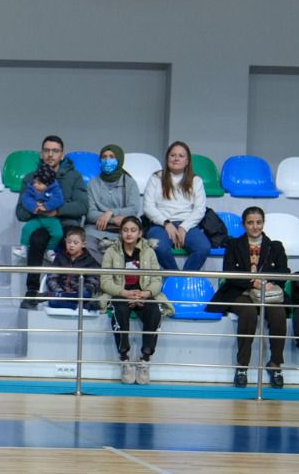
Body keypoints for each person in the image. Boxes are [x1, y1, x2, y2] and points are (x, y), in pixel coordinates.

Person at [205, 207, 288, 387]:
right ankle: (242, 365)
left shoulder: (275, 246)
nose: (255, 226)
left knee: (279, 314)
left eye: (258, 222)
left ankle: (275, 363)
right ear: (244, 224)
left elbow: (284, 273)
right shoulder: (233, 245)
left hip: (267, 294)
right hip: (239, 292)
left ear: (263, 223)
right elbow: (229, 273)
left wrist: (272, 283)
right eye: (250, 223)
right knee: (248, 312)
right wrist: (252, 283)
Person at [98, 215, 173, 384]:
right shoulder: (111, 252)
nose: (129, 234)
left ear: (140, 233)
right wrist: (124, 293)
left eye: (133, 230)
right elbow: (105, 281)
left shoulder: (149, 251)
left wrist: (146, 293)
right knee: (120, 309)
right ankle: (124, 359)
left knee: (155, 311)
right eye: (125, 230)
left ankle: (145, 359)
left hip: (144, 294)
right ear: (120, 233)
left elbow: (157, 280)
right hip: (121, 293)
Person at [15, 135, 87, 307]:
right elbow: (20, 213)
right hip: (41, 223)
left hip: (66, 224)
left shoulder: (74, 177)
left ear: (62, 155)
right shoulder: (31, 178)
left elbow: (82, 206)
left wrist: (56, 210)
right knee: (36, 238)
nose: (50, 154)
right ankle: (32, 292)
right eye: (46, 150)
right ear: (41, 154)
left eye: (55, 151)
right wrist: (37, 208)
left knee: (72, 240)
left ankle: (73, 292)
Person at [141, 141, 209, 274]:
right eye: (172, 155)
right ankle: (175, 276)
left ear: (187, 161)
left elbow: (200, 209)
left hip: (188, 224)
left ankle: (184, 278)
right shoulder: (156, 178)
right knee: (159, 247)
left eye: (181, 156)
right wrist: (166, 223)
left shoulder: (196, 181)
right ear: (167, 158)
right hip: (160, 225)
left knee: (203, 247)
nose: (176, 158)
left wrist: (184, 227)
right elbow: (148, 207)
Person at [85, 144, 142, 252]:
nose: (107, 160)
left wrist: (111, 212)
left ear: (119, 160)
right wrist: (112, 220)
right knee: (87, 246)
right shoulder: (92, 184)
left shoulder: (129, 182)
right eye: (104, 157)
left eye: (112, 157)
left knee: (129, 249)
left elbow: (133, 209)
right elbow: (90, 213)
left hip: (123, 229)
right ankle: (103, 263)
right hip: (96, 229)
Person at [43, 225, 98, 309]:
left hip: (80, 293)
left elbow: (93, 281)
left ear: (83, 244)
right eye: (68, 242)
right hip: (62, 291)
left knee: (85, 293)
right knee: (53, 302)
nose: (71, 245)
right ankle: (82, 306)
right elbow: (52, 277)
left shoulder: (90, 260)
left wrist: (79, 291)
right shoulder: (60, 257)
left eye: (75, 243)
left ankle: (66, 298)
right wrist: (59, 291)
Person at [18, 161, 65, 258]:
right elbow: (26, 198)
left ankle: (50, 250)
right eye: (35, 182)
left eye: (39, 183)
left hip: (51, 219)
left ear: (48, 184)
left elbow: (58, 199)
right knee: (26, 229)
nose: (35, 185)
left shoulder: (55, 189)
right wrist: (33, 207)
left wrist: (46, 206)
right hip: (37, 218)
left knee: (58, 234)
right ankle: (23, 248)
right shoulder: (31, 188)